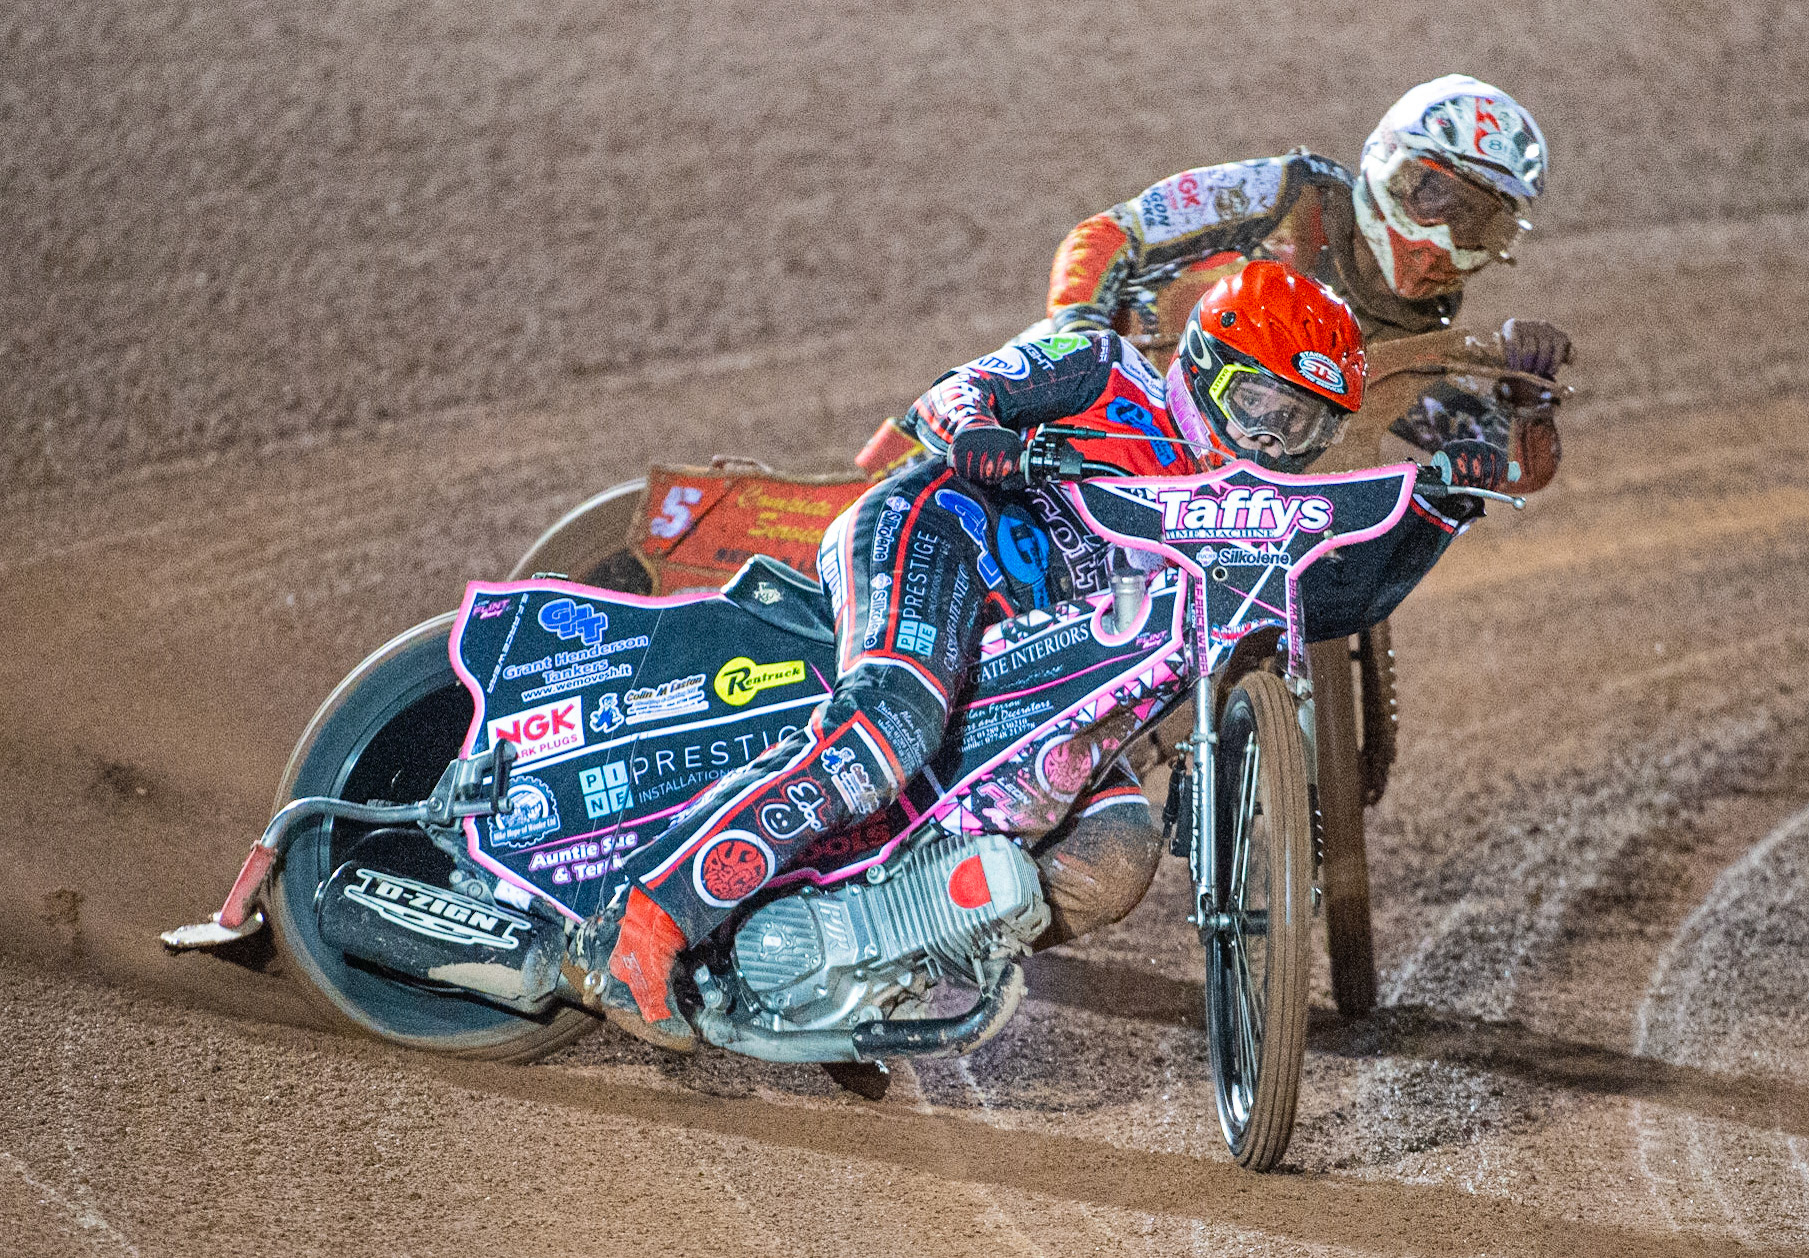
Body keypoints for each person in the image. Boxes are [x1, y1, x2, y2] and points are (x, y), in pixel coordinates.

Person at [573, 260, 1505, 1050]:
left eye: (1298, 425)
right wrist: (987, 444)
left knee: (1116, 854)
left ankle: (848, 975)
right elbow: (953, 395)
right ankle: (649, 918)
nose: (1266, 436)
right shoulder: (1104, 367)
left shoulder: (1249, 516)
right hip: (934, 538)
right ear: (1207, 364)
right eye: (1257, 401)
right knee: (892, 722)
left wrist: (1437, 510)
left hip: (1039, 679)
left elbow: (1329, 603)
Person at [1041, 74, 1572, 491]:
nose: (1448, 237)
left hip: (1217, 495)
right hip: (1098, 419)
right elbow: (1110, 235)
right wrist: (1081, 354)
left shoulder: (1417, 334)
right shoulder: (1286, 193)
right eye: (1436, 197)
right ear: (1391, 163)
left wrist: (1527, 401)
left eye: (1480, 223)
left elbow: (1513, 470)